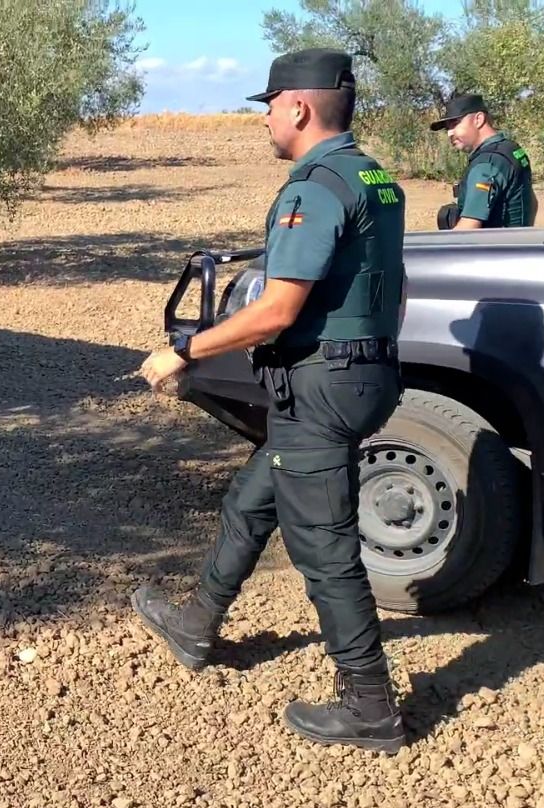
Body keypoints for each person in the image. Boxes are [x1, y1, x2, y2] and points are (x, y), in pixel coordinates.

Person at [135, 49, 410, 753]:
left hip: (322, 384)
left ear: (298, 106)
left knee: (323, 547)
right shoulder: (375, 176)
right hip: (358, 373)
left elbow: (276, 311)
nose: (264, 119)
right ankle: (197, 621)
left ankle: (370, 705)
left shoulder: (313, 187)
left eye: (269, 105)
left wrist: (186, 350)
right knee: (254, 498)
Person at [432, 93, 537, 230]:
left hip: (497, 249)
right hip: (518, 245)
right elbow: (532, 203)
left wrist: (444, 250)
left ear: (478, 119)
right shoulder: (511, 149)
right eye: (448, 128)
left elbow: (469, 227)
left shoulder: (486, 164)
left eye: (455, 124)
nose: (450, 133)